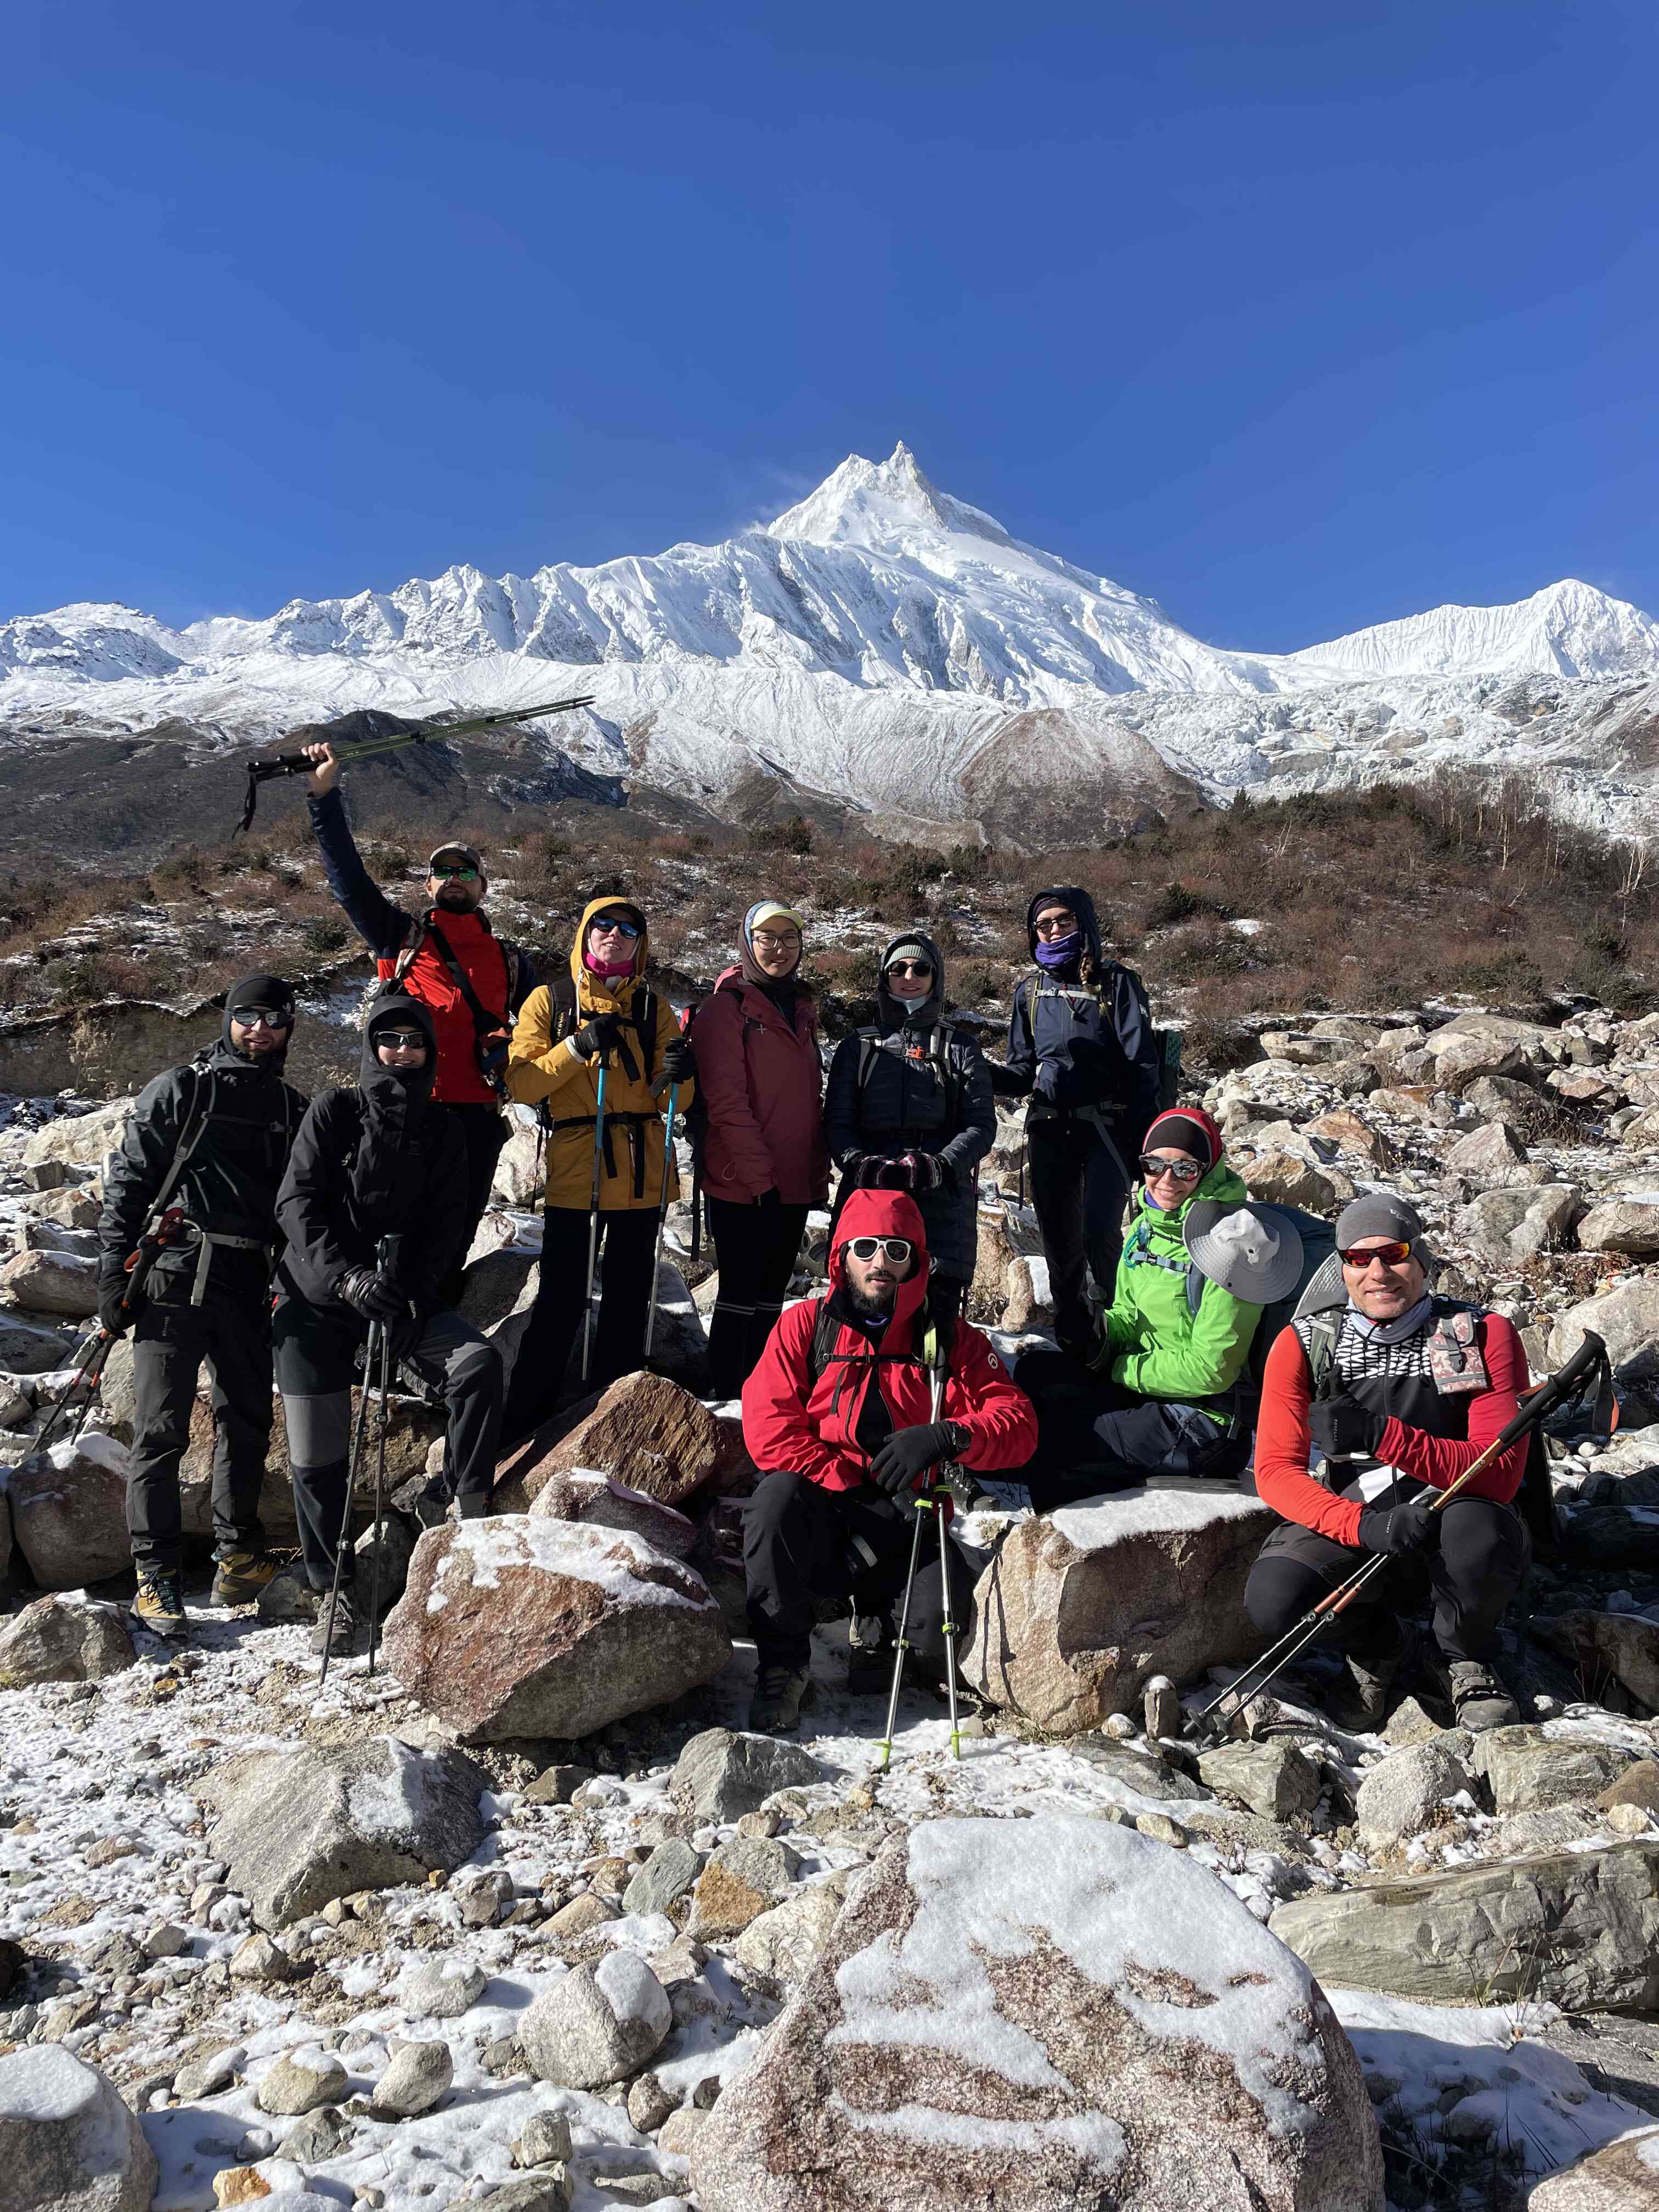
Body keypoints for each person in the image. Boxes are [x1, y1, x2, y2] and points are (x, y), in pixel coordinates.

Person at [740, 1187, 1038, 1733]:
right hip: (824, 1509)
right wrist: (852, 1485)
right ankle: (783, 1665)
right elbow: (769, 1431)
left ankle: (875, 1618)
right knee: (773, 1502)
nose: (881, 1262)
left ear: (916, 1262)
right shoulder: (806, 1327)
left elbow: (1018, 1425)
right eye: (867, 1247)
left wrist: (949, 1436)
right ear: (842, 1256)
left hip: (910, 1518)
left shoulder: (947, 1339)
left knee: (931, 1638)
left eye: (897, 1250)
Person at [272, 995, 506, 1654]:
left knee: (476, 1367)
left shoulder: (444, 1130)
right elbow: (296, 1205)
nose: (401, 1051)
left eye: (415, 1041)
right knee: (316, 1450)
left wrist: (407, 1300)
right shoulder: (335, 1112)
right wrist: (346, 1279)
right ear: (371, 1046)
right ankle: (333, 1589)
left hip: (399, 1301)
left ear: (432, 1052)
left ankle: (464, 1510)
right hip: (316, 1300)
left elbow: (445, 1231)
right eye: (389, 1040)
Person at [1244, 1193, 1529, 1732]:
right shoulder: (1307, 1344)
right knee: (1275, 1598)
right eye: (1358, 1258)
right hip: (1368, 1521)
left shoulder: (1480, 1334)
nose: (1378, 1272)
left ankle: (1462, 1656)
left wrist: (1381, 1435)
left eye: (1394, 1253)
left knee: (1477, 1529)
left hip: (1461, 1516)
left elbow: (1499, 1471)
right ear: (1342, 1268)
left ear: (1422, 1259)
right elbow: (1276, 1472)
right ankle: (1380, 1646)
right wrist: (1363, 1526)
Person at [98, 974, 308, 1636]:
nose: (259, 1030)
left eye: (273, 1019)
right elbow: (129, 1183)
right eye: (247, 1016)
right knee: (161, 1430)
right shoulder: (183, 1089)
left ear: (288, 1028)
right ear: (227, 1019)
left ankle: (238, 1556)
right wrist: (111, 1277)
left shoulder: (290, 1106)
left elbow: (304, 1201)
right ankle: (155, 1574)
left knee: (245, 1420)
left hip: (248, 1278)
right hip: (174, 1274)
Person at [300, 742, 535, 1297]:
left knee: (448, 1244)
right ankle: (363, 1347)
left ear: (483, 887)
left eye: (466, 870)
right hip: (402, 1114)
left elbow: (538, 1034)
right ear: (428, 887)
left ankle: (426, 1349)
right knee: (380, 1237)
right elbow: (347, 882)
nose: (454, 877)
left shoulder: (509, 960)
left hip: (474, 1122)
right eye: (442, 870)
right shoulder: (401, 939)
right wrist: (323, 797)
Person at [500, 895, 694, 1439]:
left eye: (628, 929)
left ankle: (615, 1421)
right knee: (560, 1301)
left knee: (630, 1305)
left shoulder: (653, 1010)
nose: (615, 934)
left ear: (640, 945)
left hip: (639, 1174)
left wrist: (681, 1072)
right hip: (577, 1174)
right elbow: (524, 1082)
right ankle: (524, 1424)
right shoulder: (551, 1001)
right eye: (604, 926)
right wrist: (578, 1046)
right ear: (586, 935)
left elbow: (674, 1102)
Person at [1014, 1108, 1272, 1503]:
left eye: (1185, 1168)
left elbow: (1212, 1369)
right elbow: (1130, 1315)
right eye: (1154, 1165)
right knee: (1035, 1372)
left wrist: (1120, 1369)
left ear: (1209, 1168)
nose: (1166, 1180)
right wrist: (1098, 1333)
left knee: (1064, 1441)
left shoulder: (1233, 1244)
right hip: (1148, 1389)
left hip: (1206, 1419)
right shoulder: (1146, 1227)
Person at [990, 888, 1161, 1358]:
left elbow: (1141, 1065)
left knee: (1101, 1234)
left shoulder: (1117, 984)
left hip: (1106, 1130)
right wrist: (984, 1076)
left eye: (1063, 921)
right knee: (1060, 1241)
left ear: (1084, 923)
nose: (1053, 930)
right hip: (1048, 1128)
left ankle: (1123, 1332)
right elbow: (1022, 1071)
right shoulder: (1029, 992)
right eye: (1043, 925)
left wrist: (1147, 1144)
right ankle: (1072, 1336)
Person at [688, 900, 830, 1401]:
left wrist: (814, 1177)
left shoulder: (801, 1010)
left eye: (789, 939)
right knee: (739, 1296)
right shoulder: (726, 1011)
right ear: (748, 943)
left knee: (772, 1297)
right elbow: (727, 1104)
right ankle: (727, 1398)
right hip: (741, 1181)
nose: (779, 948)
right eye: (766, 937)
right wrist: (759, 1180)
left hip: (790, 1182)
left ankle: (764, 1398)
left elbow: (805, 1102)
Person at [822, 933, 994, 1330]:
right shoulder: (858, 1047)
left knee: (936, 1322)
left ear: (937, 976)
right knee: (860, 1313)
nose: (909, 976)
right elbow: (837, 1122)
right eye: (898, 968)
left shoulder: (961, 1047)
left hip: (942, 1199)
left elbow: (981, 1124)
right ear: (884, 978)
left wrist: (940, 1166)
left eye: (921, 968)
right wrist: (861, 1164)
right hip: (868, 1193)